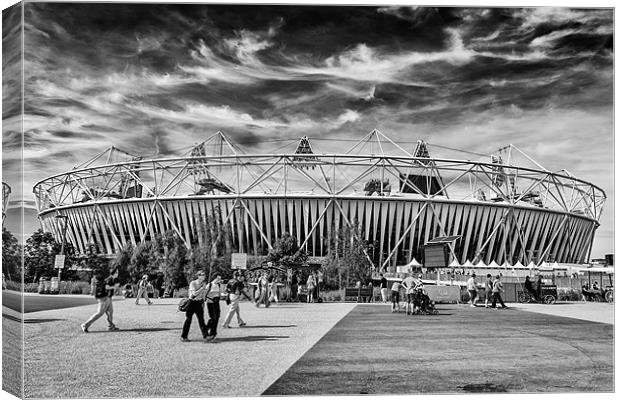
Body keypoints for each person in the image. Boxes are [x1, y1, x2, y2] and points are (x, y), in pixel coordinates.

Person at [81, 268, 119, 333]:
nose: (118, 274)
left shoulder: (111, 279)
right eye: (117, 272)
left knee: (110, 312)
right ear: (114, 273)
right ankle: (85, 325)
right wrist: (114, 287)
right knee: (99, 313)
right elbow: (106, 287)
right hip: (104, 298)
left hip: (108, 298)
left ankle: (111, 326)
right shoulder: (109, 279)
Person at [180, 271, 209, 342]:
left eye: (204, 275)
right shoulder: (193, 283)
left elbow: (203, 295)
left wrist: (204, 298)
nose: (204, 276)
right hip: (192, 303)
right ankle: (183, 336)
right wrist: (202, 288)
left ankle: (206, 336)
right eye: (202, 275)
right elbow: (193, 294)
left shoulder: (204, 284)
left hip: (199, 303)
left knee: (201, 320)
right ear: (198, 276)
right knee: (188, 320)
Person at [205, 274, 224, 341]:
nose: (220, 279)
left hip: (216, 303)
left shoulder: (219, 285)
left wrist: (223, 295)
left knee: (217, 317)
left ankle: (211, 331)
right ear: (215, 278)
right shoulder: (209, 285)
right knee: (213, 318)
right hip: (210, 303)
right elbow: (205, 294)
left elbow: (220, 293)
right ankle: (211, 332)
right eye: (219, 278)